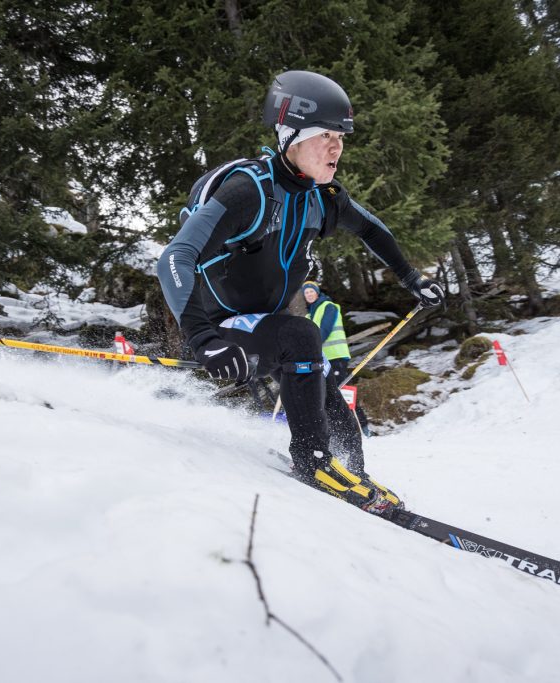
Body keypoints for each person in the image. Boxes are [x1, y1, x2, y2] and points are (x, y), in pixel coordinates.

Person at [157, 70, 445, 517]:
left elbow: (370, 228)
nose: (336, 147)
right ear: (290, 136)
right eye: (325, 136)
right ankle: (313, 464)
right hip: (223, 328)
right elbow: (175, 258)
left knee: (333, 402)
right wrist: (203, 339)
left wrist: (412, 279)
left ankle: (352, 477)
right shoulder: (248, 191)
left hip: (266, 326)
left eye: (341, 137)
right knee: (302, 337)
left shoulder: (321, 197)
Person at [301, 280, 372, 437]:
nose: (309, 294)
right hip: (322, 360)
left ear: (317, 292)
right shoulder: (309, 314)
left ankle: (363, 428)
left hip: (336, 357)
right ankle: (338, 430)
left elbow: (324, 331)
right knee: (328, 394)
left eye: (311, 291)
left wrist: (308, 347)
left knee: (341, 391)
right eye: (306, 293)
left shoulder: (329, 307)